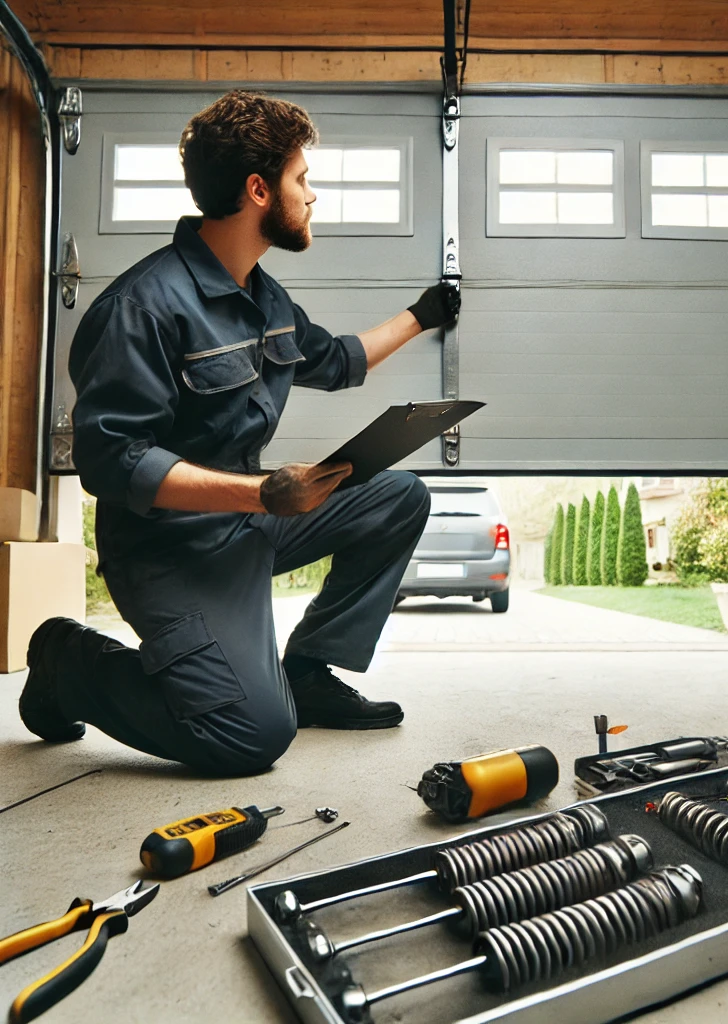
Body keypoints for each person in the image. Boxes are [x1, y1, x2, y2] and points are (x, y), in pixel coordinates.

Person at [19, 91, 459, 776]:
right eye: (301, 180)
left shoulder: (267, 299)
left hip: (254, 524)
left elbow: (339, 359)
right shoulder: (141, 308)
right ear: (259, 190)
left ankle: (310, 671)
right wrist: (263, 496)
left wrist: (422, 314)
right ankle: (68, 664)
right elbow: (113, 462)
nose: (312, 195)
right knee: (248, 737)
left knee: (398, 495)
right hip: (168, 554)